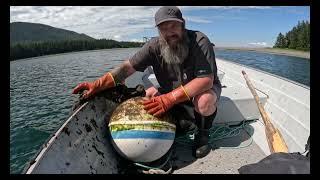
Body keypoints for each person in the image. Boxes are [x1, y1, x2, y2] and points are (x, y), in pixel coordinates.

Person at [72, 6, 222, 158]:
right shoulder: (153, 46)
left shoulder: (199, 41)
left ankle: (203, 134)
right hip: (172, 90)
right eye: (164, 27)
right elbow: (126, 68)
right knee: (147, 94)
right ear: (158, 30)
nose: (170, 32)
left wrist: (169, 99)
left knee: (204, 101)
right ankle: (182, 120)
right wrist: (97, 85)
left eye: (174, 26)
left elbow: (205, 80)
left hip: (201, 90)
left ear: (183, 24)